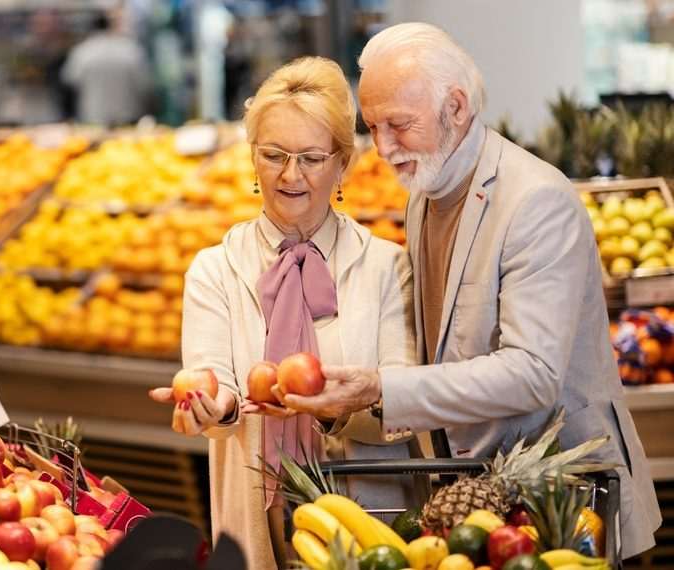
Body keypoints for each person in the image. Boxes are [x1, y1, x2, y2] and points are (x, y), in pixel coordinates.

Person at [276, 23, 661, 558]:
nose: (384, 148)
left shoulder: (536, 202)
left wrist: (380, 386)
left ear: (456, 107)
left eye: (400, 125)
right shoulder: (425, 193)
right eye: (373, 127)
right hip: (480, 503)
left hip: (567, 507)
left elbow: (533, 374)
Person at [149, 57, 422, 570]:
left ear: (343, 163)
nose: (290, 174)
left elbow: (405, 403)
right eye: (273, 154)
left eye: (312, 158)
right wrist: (213, 408)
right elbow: (219, 387)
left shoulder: (387, 266)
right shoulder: (215, 269)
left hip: (372, 517)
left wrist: (334, 406)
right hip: (259, 515)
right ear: (252, 157)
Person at [60, 11, 152, 126]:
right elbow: (145, 86)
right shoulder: (130, 50)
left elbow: (69, 81)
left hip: (93, 118)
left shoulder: (82, 52)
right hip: (127, 118)